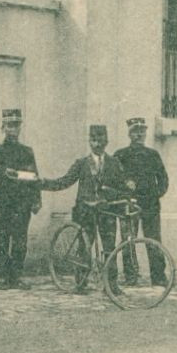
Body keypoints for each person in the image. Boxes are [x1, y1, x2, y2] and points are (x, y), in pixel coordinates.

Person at [42, 123, 135, 292]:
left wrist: (129, 185)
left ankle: (111, 285)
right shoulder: (82, 164)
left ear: (106, 141)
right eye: (93, 140)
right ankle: (80, 282)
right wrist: (44, 184)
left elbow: (122, 185)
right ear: (89, 142)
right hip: (85, 212)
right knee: (84, 247)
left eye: (100, 140)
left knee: (109, 248)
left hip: (106, 211)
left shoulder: (114, 163)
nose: (97, 143)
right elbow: (64, 181)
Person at [0, 108, 42, 290]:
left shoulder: (27, 151)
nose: (13, 129)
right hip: (3, 202)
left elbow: (34, 176)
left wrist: (37, 200)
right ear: (3, 127)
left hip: (22, 202)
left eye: (16, 125)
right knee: (3, 239)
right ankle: (4, 277)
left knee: (21, 240)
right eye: (9, 125)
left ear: (20, 128)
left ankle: (17, 277)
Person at [113, 116, 170, 286]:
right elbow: (113, 178)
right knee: (128, 240)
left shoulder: (153, 155)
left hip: (150, 204)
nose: (138, 135)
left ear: (145, 134)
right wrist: (125, 185)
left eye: (141, 132)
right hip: (129, 204)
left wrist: (156, 194)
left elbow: (163, 179)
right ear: (129, 135)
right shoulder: (120, 155)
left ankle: (158, 276)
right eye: (135, 132)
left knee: (154, 240)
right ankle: (131, 276)